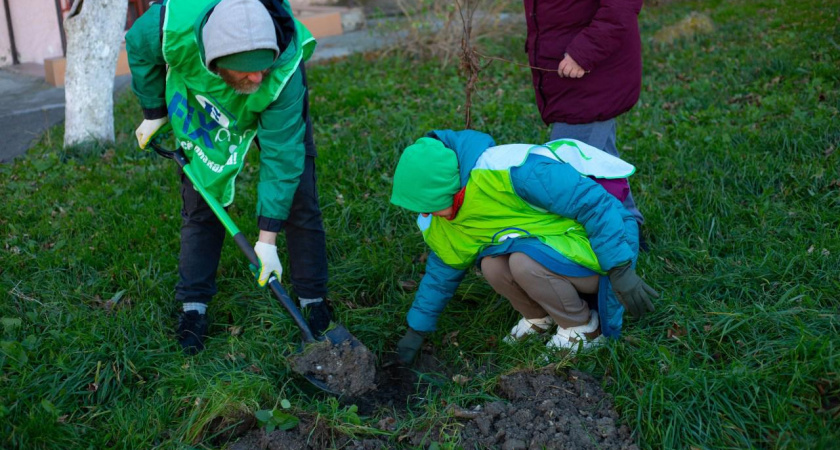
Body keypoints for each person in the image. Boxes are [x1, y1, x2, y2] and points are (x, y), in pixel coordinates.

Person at [125, 0, 331, 355]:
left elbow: (283, 158)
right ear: (215, 61)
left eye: (261, 68)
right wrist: (154, 110)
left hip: (277, 98)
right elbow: (138, 48)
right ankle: (194, 307)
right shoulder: (166, 26)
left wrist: (266, 242)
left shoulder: (282, 69)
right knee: (202, 199)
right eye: (246, 72)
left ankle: (313, 299)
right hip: (201, 99)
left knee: (298, 195)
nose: (257, 78)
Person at [390, 130, 658, 365]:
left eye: (430, 203)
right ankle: (539, 318)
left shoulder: (512, 171)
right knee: (491, 265)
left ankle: (583, 329)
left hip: (595, 246)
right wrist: (416, 332)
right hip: (549, 251)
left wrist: (620, 268)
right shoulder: (441, 217)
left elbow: (596, 205)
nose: (426, 213)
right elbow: (440, 276)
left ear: (449, 187)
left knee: (522, 262)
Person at [523, 0, 647, 237]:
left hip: (594, 71)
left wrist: (583, 54)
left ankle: (604, 236)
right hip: (569, 71)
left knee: (565, 164)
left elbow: (619, 8)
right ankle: (627, 223)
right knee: (599, 156)